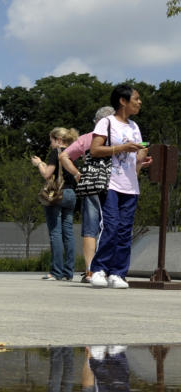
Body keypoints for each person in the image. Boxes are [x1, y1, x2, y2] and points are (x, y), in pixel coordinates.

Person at [89, 85, 152, 289]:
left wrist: (142, 157)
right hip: (110, 183)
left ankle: (118, 273)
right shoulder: (106, 123)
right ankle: (98, 269)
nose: (139, 102)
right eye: (136, 98)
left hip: (130, 186)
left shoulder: (134, 126)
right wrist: (122, 147)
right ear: (123, 101)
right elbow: (95, 150)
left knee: (125, 231)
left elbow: (137, 156)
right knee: (111, 225)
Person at [60, 106, 116, 283]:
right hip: (115, 185)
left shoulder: (86, 139)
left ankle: (90, 270)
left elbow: (64, 156)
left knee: (90, 229)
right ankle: (107, 269)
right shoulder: (118, 139)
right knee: (112, 226)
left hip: (91, 185)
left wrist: (77, 174)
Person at [31, 127, 79, 281]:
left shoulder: (56, 153)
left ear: (58, 140)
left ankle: (56, 271)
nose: (50, 144)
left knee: (55, 233)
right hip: (72, 194)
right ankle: (68, 272)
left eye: (51, 140)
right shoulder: (73, 153)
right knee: (68, 233)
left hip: (57, 194)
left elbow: (47, 175)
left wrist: (39, 164)